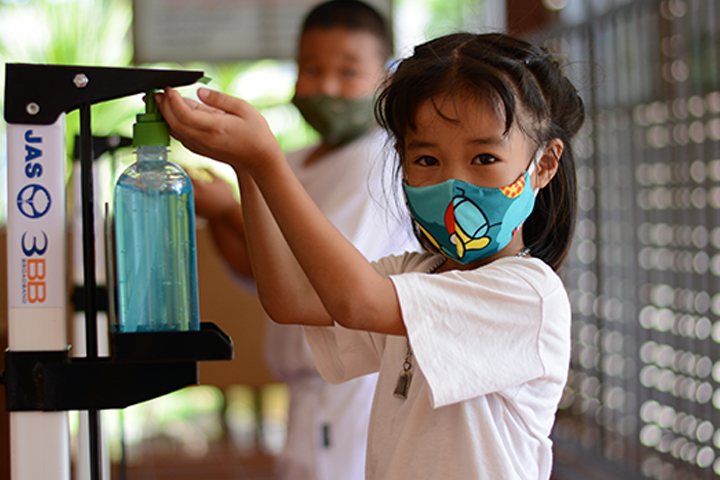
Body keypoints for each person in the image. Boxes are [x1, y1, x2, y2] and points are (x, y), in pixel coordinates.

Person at [157, 31, 585, 479]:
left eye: (483, 158)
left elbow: (355, 301)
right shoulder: (418, 273)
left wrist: (267, 160)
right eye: (426, 161)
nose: (453, 183)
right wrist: (247, 168)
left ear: (544, 165)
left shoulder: (528, 295)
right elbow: (293, 299)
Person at [190, 2, 417, 479]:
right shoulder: (292, 161)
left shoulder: (377, 162)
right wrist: (218, 214)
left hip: (350, 387)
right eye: (311, 70)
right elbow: (260, 267)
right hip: (300, 390)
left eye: (348, 71)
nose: (327, 87)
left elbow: (320, 278)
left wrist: (233, 203)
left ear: (385, 81)